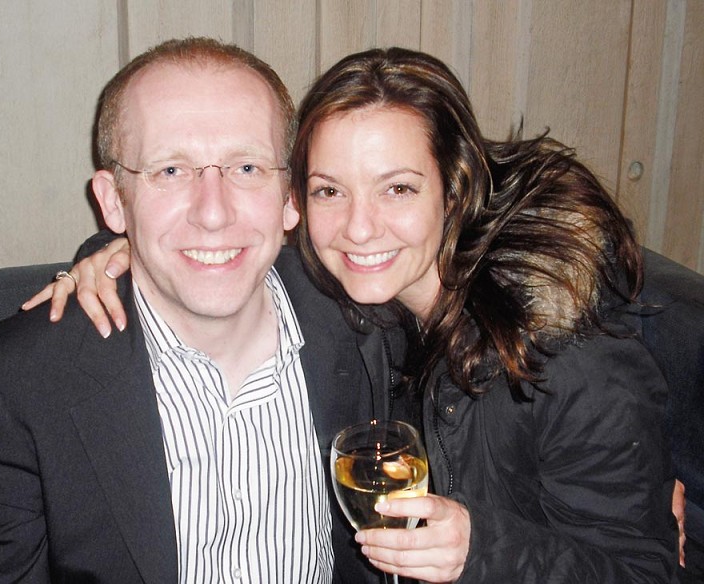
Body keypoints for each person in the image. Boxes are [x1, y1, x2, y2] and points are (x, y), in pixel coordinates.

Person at [43, 47, 683, 582]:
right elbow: (215, 242)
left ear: (454, 187)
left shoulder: (572, 359)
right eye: (330, 190)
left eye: (397, 188)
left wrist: (481, 549)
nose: (358, 227)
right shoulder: (356, 297)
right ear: (297, 201)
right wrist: (115, 250)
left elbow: (645, 573)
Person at [0, 38, 406, 583]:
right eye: (169, 171)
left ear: (290, 196)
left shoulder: (370, 321)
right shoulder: (21, 377)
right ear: (113, 200)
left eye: (246, 167)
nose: (213, 213)